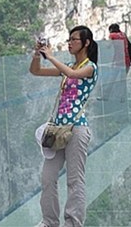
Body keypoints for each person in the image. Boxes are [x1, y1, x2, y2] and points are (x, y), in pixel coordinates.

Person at [30, 26, 99, 227]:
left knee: (74, 180)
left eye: (74, 40)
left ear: (86, 43)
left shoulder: (90, 68)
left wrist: (51, 57)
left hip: (76, 129)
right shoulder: (68, 65)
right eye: (69, 40)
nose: (70, 43)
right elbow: (36, 71)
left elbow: (72, 73)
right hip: (58, 129)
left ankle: (73, 223)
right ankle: (49, 222)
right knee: (48, 178)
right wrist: (38, 54)